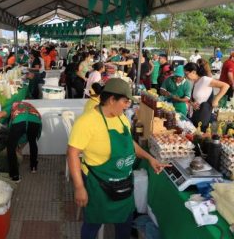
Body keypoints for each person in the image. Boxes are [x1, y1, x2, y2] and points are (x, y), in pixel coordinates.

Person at [68, 79, 169, 239]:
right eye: (125, 101)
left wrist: (150, 158)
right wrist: (79, 187)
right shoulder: (87, 121)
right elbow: (72, 154)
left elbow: (130, 143)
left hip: (123, 182)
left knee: (125, 222)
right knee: (93, 223)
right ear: (111, 100)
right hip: (98, 182)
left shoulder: (121, 117)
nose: (127, 105)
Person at [184, 62, 229, 132]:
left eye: (186, 74)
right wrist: (192, 104)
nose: (185, 76)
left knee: (202, 134)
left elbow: (225, 86)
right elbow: (191, 99)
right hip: (196, 115)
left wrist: (216, 99)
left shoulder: (205, 80)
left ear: (193, 72)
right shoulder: (194, 82)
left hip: (205, 115)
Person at [7, 101, 42, 180]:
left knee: (11, 147)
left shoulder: (13, 107)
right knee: (32, 142)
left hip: (20, 121)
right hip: (34, 120)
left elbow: (11, 124)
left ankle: (15, 175)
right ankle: (33, 167)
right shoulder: (31, 107)